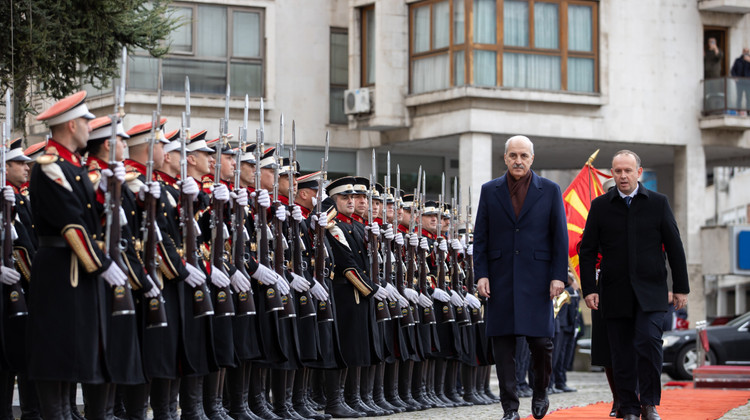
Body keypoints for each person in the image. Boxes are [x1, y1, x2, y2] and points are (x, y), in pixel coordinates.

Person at [579, 150, 689, 420]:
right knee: (621, 351)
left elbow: (675, 247)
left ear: (639, 172)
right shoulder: (601, 205)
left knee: (649, 342)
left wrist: (681, 287)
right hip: (614, 292)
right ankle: (628, 407)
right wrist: (590, 289)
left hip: (651, 291)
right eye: (618, 171)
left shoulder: (658, 203)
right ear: (613, 173)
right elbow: (588, 251)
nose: (623, 176)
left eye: (628, 170)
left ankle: (649, 404)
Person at [474, 135, 568, 420]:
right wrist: (482, 275)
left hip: (538, 279)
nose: (518, 160)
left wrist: (557, 276)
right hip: (500, 278)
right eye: (513, 155)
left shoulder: (550, 190)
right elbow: (481, 237)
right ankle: (510, 408)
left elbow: (559, 238)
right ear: (505, 158)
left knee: (541, 343)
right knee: (502, 345)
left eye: (523, 156)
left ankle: (540, 391)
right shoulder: (490, 190)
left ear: (532, 159)